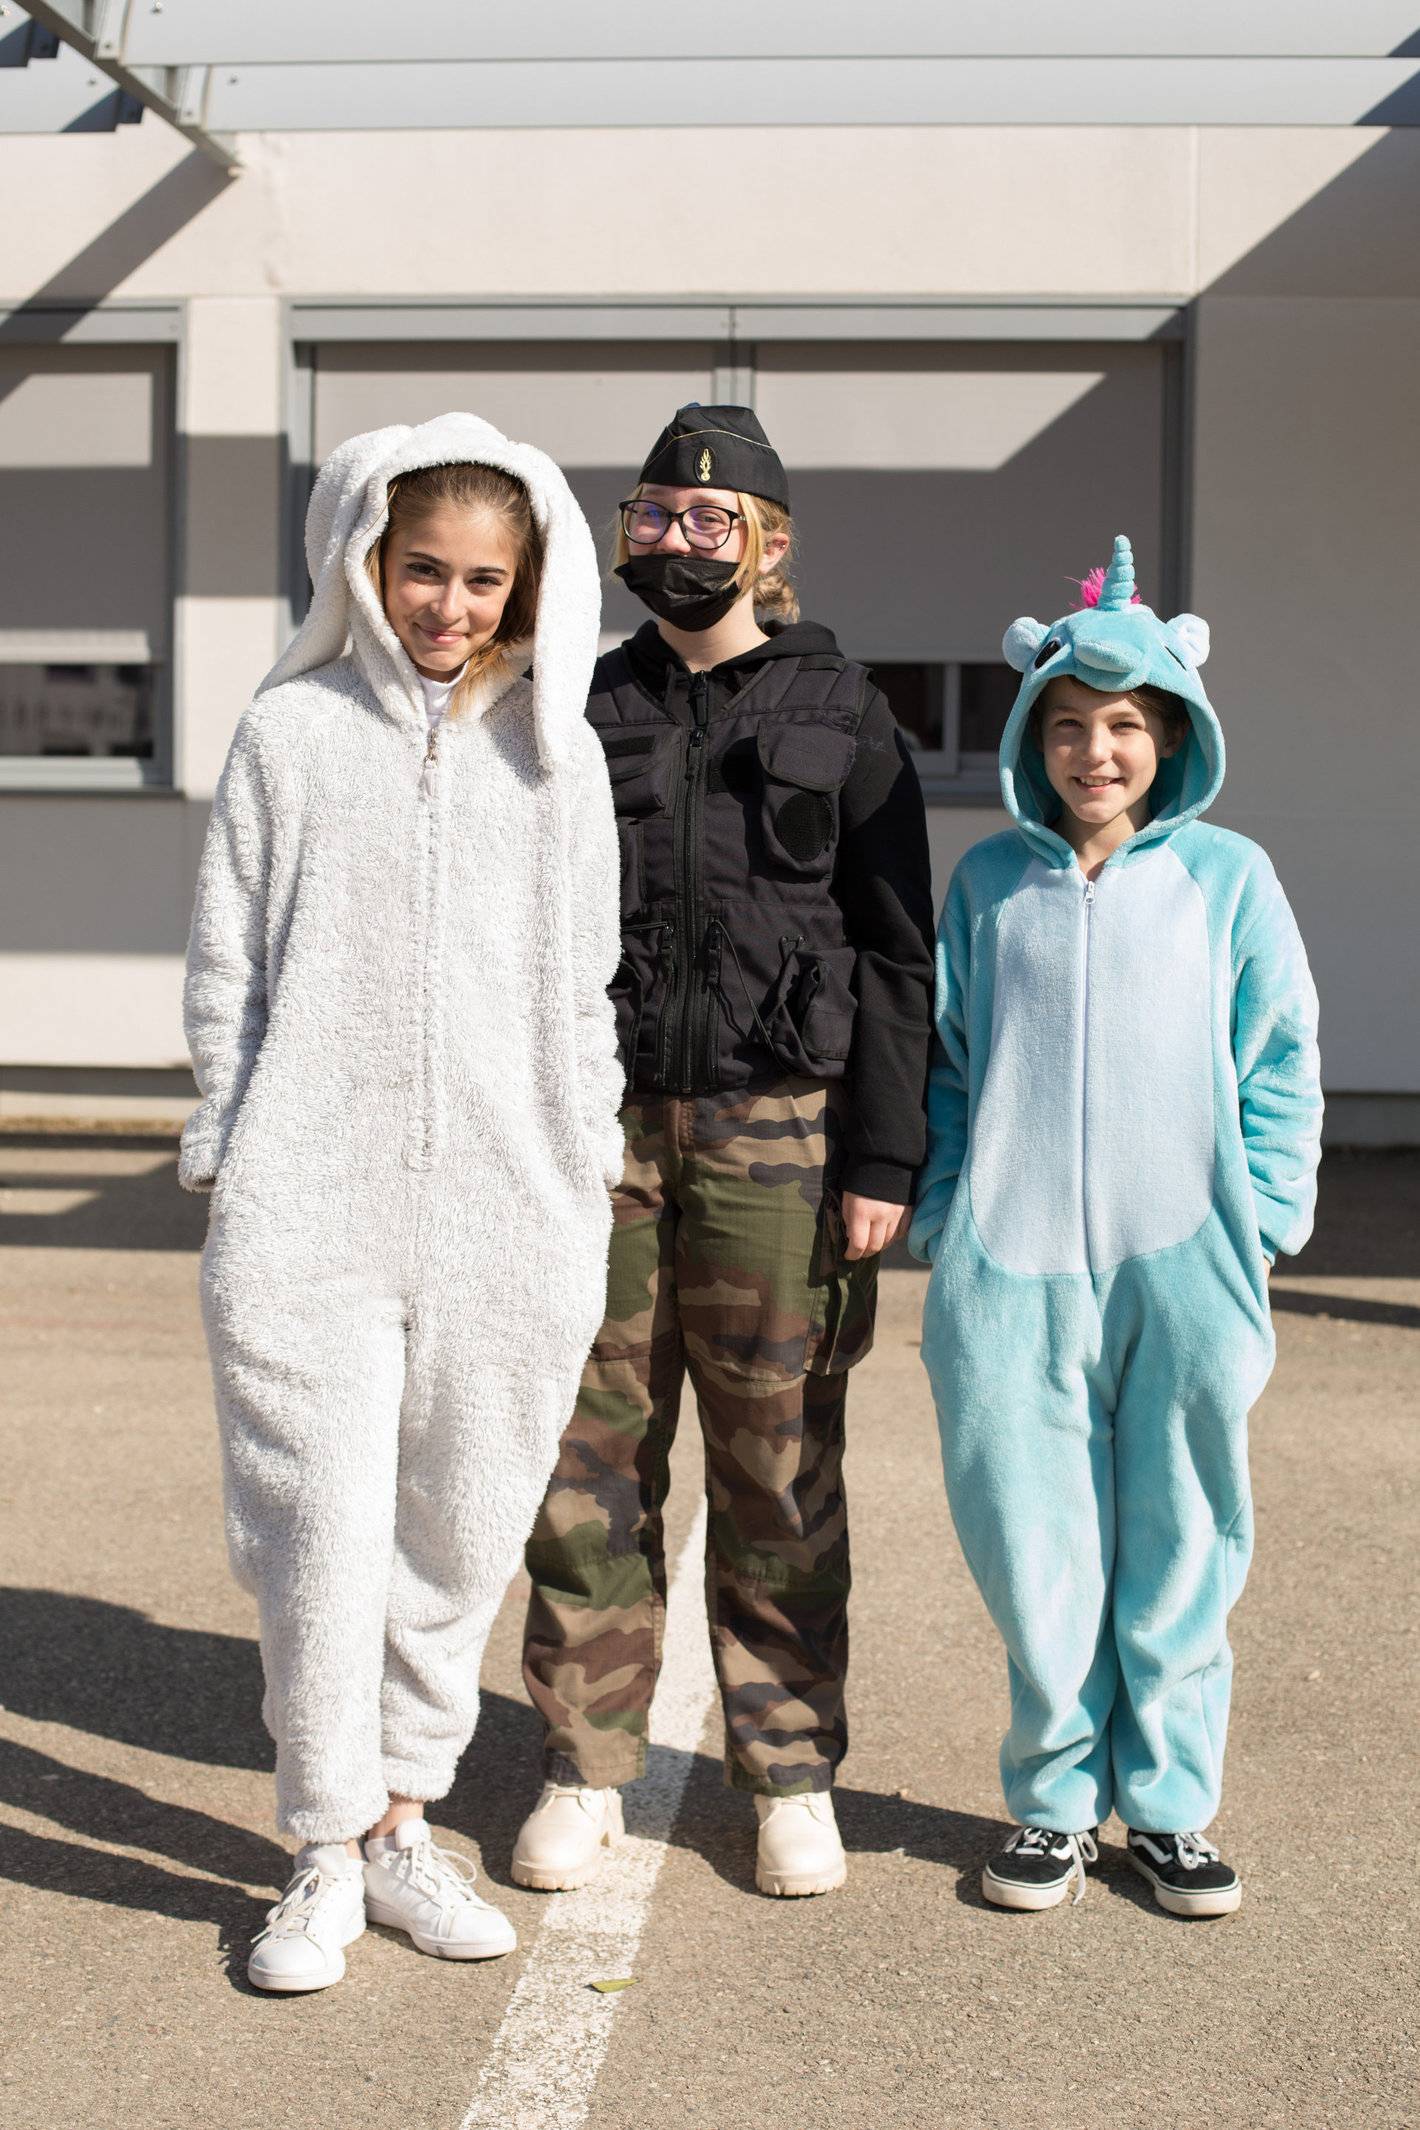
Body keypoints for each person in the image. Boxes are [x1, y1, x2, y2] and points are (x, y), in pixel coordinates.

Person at [180, 414, 623, 1991]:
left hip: (513, 1204)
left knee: (461, 1520)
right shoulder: (289, 734)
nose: (450, 603)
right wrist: (228, 1144)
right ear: (363, 560)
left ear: (527, 585)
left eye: (483, 579)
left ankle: (402, 1825)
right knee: (322, 1528)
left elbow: (585, 986)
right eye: (422, 568)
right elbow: (229, 959)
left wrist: (584, 1157)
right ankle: (318, 1846)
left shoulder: (559, 754)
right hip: (312, 1196)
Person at [511, 403, 936, 1900]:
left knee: (781, 1460)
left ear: (768, 543)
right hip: (600, 1131)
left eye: (711, 519)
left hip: (784, 1132)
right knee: (588, 1456)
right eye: (653, 513)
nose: (676, 540)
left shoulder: (846, 705)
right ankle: (585, 1764)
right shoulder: (576, 702)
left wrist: (885, 1158)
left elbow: (898, 948)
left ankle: (790, 1771)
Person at [910, 536, 1322, 1917]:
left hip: (1185, 1259)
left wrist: (1265, 1216)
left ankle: (1170, 1809)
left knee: (1185, 1530)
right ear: (1034, 740)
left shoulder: (1231, 877)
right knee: (1033, 1540)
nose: (1098, 752)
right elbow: (949, 1062)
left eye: (1128, 726)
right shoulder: (988, 884)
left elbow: (1280, 1055)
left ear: (1174, 737)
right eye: (1071, 726)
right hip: (1011, 1268)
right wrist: (947, 1216)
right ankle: (1050, 1805)